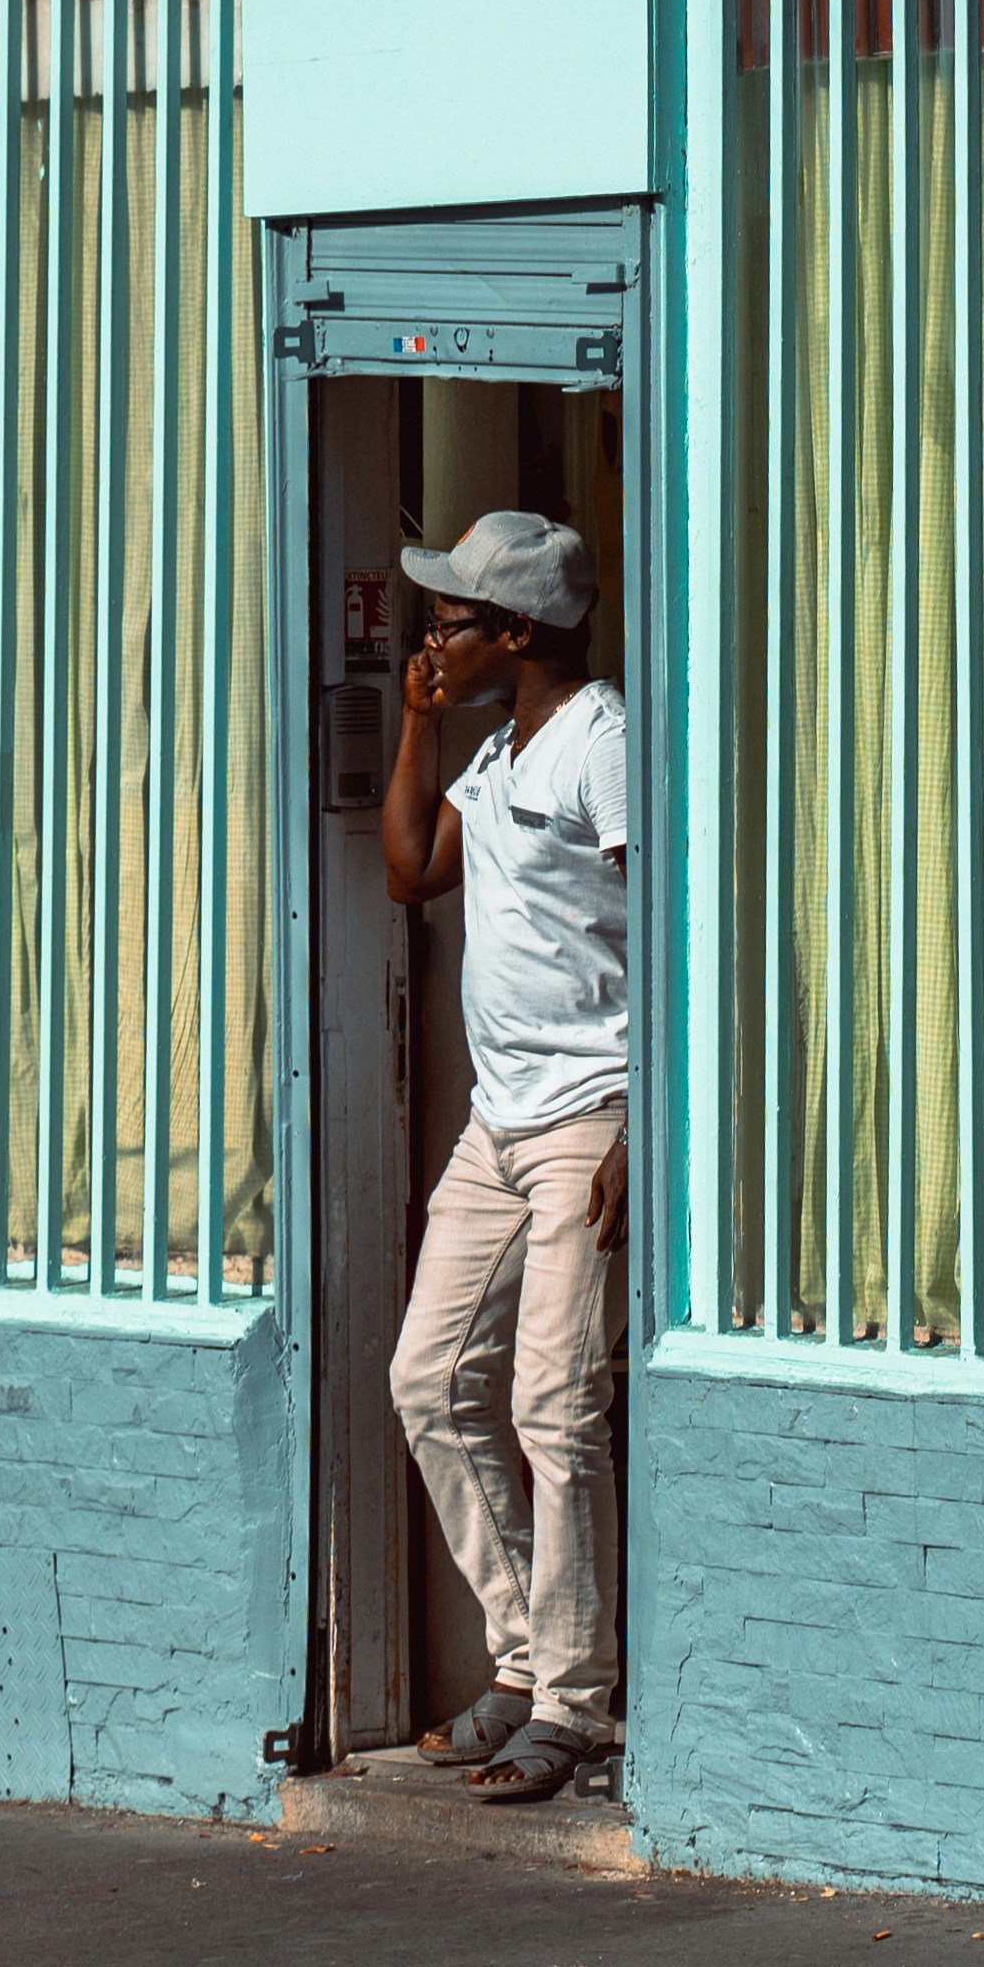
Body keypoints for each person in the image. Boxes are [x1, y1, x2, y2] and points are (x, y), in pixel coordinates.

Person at [379, 506, 628, 1804]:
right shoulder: (490, 748)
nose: (433, 633)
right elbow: (411, 865)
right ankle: (527, 1659)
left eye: (451, 619)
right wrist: (420, 715)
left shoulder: (602, 740)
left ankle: (576, 1704)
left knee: (552, 1408)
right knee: (427, 1380)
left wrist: (640, 1125)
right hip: (497, 1123)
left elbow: (673, 920)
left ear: (516, 629)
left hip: (588, 1113)